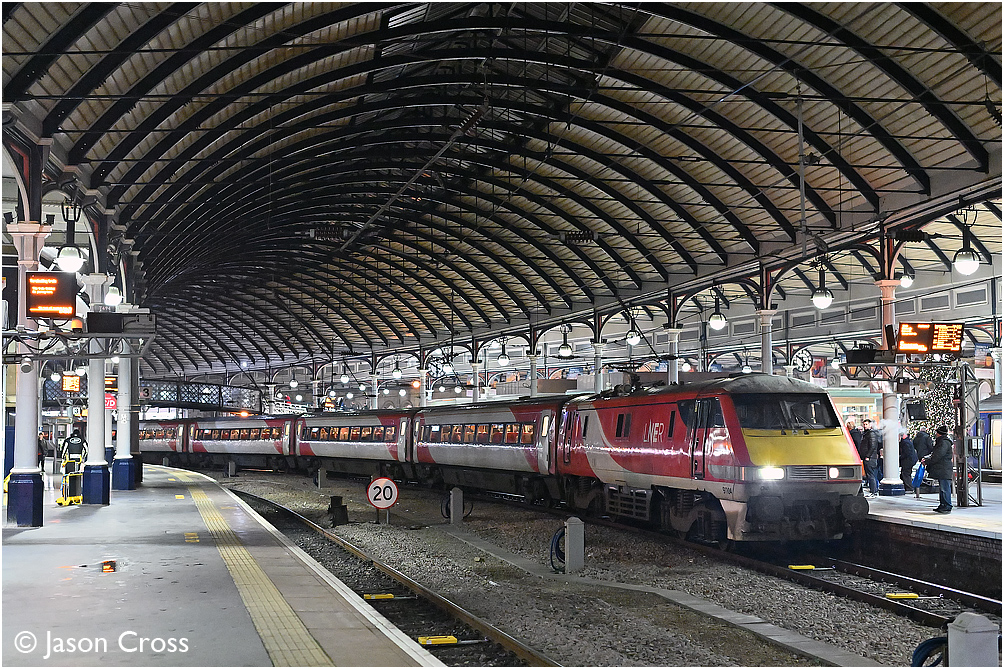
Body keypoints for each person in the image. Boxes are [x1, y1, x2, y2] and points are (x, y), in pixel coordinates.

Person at [922, 425, 954, 514]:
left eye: (937, 432)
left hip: (944, 469)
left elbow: (938, 455)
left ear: (939, 433)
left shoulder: (943, 443)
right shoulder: (942, 442)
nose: (935, 434)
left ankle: (947, 506)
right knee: (942, 488)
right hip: (942, 469)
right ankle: (943, 505)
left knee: (945, 488)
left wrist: (927, 461)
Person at [860, 419, 880, 496]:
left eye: (866, 424)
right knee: (870, 475)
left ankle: (873, 491)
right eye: (864, 424)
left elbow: (872, 446)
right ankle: (873, 491)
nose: (865, 426)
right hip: (868, 457)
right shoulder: (867, 434)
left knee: (871, 475)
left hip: (870, 458)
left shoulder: (871, 434)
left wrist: (868, 456)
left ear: (870, 425)